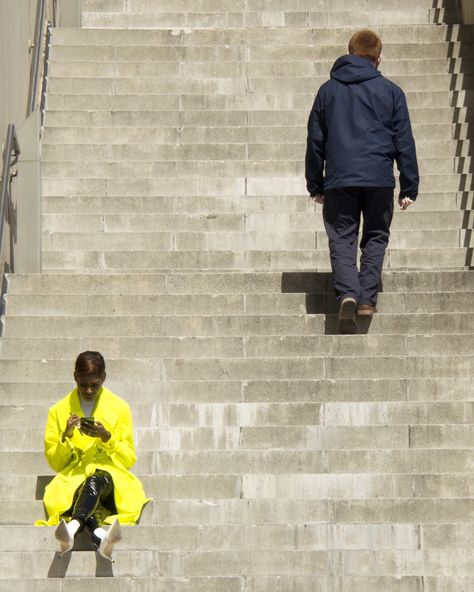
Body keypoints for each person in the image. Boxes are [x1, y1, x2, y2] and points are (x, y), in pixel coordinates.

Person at [305, 29, 419, 334]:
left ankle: (348, 293)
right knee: (376, 235)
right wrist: (409, 186)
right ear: (378, 58)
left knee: (342, 236)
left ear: (349, 53)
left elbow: (315, 141)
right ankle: (367, 299)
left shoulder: (327, 91)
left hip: (340, 179)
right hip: (380, 178)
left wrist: (315, 184)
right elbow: (404, 142)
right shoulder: (392, 92)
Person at [35, 351, 150, 561]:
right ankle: (99, 535)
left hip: (109, 477)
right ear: (75, 378)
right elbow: (56, 463)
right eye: (83, 384)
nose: (89, 390)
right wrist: (66, 436)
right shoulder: (58, 411)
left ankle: (73, 525)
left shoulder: (120, 408)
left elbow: (129, 459)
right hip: (75, 478)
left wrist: (108, 438)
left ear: (104, 378)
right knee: (86, 488)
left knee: (96, 479)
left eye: (95, 385)